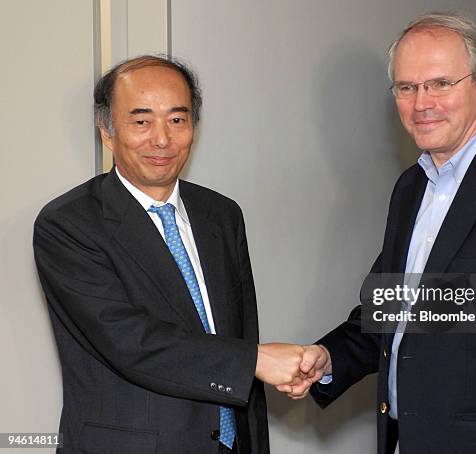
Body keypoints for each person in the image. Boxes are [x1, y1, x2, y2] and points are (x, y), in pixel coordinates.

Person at [280, 12, 476, 454]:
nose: (421, 103)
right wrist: (328, 359)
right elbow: (399, 309)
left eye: (440, 84)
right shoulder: (411, 188)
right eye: (407, 88)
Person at [33, 55, 310, 454]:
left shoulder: (222, 214)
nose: (162, 139)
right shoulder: (69, 224)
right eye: (141, 121)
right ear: (107, 132)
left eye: (177, 120)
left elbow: (241, 330)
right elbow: (130, 341)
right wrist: (253, 361)